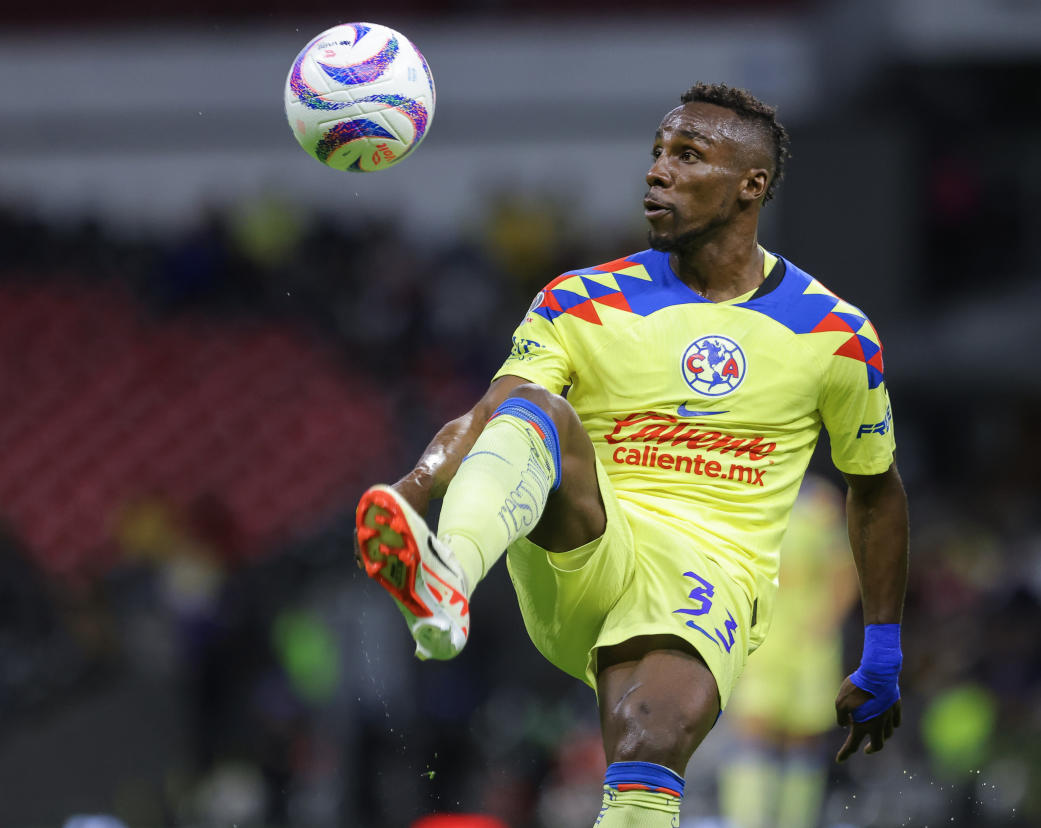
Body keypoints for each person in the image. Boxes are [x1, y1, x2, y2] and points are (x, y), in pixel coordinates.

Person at [354, 82, 908, 827]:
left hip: (708, 575)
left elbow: (872, 487)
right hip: (591, 543)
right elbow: (491, 414)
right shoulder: (578, 300)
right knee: (533, 409)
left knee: (651, 738)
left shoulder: (834, 335)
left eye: (686, 155)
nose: (656, 171)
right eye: (655, 154)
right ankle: (446, 574)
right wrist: (418, 487)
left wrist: (881, 649)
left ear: (752, 185)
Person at [718, 474, 859, 828]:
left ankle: (795, 821)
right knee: (753, 728)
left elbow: (845, 568)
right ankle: (745, 822)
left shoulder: (820, 501)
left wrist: (825, 620)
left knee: (803, 736)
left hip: (808, 640)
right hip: (760, 636)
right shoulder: (746, 488)